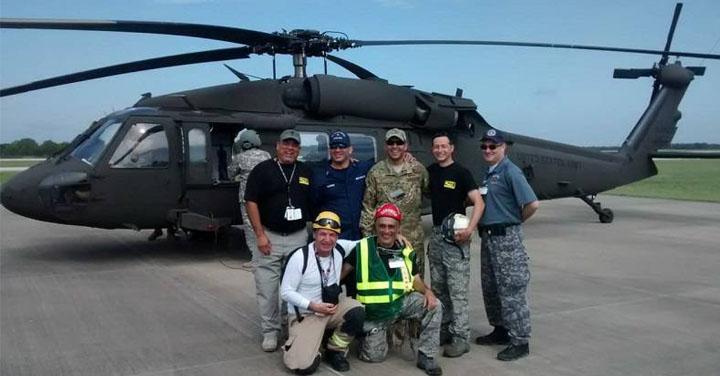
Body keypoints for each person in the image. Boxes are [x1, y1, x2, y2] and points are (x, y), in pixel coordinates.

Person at [342, 204, 443, 376]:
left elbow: (416, 281)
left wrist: (427, 292)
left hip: (399, 305)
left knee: (435, 305)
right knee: (374, 356)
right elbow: (340, 275)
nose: (386, 231)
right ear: (375, 226)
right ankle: (366, 335)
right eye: (382, 226)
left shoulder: (405, 250)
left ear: (398, 228)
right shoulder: (361, 248)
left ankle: (427, 356)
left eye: (391, 226)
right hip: (373, 315)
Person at [244, 129, 313, 352]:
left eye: (294, 145)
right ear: (278, 146)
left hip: (297, 237)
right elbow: (251, 201)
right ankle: (270, 331)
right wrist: (260, 235)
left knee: (295, 286)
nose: (289, 148)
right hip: (269, 237)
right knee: (267, 287)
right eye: (286, 144)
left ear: (299, 149)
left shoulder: (305, 171)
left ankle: (289, 325)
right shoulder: (262, 170)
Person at [475, 128, 539, 361]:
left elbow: (532, 204)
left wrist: (515, 221)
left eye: (493, 146)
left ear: (504, 147)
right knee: (491, 287)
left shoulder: (511, 171)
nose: (488, 150)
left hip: (506, 238)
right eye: (484, 146)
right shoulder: (489, 172)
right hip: (489, 238)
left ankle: (520, 341)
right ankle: (501, 330)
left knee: (512, 290)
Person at [280, 212, 365, 374]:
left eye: (332, 235)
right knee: (304, 367)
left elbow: (365, 243)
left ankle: (335, 350)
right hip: (306, 315)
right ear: (314, 234)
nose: (327, 239)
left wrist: (396, 235)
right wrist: (313, 306)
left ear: (337, 236)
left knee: (357, 311)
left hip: (331, 310)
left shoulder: (339, 248)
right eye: (322, 234)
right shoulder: (300, 257)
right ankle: (302, 344)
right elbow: (286, 292)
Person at [426, 131, 485, 358]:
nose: (440, 150)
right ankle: (444, 330)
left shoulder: (461, 173)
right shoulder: (430, 172)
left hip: (456, 238)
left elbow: (479, 202)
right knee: (439, 288)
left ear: (451, 148)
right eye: (436, 147)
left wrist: (470, 229)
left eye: (444, 146)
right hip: (438, 236)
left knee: (457, 291)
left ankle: (461, 337)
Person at [360, 128, 429, 278]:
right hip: (385, 239)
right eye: (391, 143)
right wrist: (368, 240)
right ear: (385, 146)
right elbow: (368, 207)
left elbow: (428, 192)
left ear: (405, 146)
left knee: (415, 280)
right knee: (389, 279)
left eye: (399, 142)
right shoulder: (376, 172)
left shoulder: (418, 170)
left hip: (413, 239)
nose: (395, 146)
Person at [310, 130, 373, 241]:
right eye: (334, 147)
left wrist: (405, 156)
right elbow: (314, 206)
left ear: (350, 149)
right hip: (334, 236)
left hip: (361, 235)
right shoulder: (320, 175)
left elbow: (386, 166)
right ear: (329, 150)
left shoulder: (362, 168)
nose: (337, 150)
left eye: (342, 146)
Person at [231, 129, 271, 260]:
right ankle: (268, 254)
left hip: (247, 197)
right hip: (265, 196)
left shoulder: (239, 157)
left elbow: (231, 174)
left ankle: (256, 258)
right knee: (264, 224)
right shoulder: (266, 155)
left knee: (250, 227)